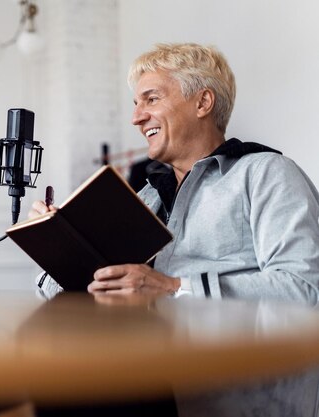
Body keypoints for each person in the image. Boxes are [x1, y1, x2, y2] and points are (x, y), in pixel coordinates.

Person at [30, 42, 319, 416]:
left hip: (233, 390)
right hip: (143, 372)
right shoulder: (145, 196)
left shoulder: (267, 173)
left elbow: (305, 289)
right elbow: (74, 294)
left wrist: (172, 288)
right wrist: (59, 241)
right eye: (135, 104)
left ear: (202, 103)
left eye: (150, 99)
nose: (136, 117)